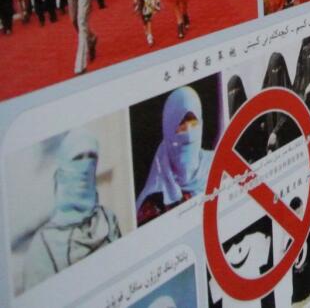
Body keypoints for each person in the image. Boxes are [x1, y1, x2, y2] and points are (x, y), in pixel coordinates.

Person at [21, 130, 121, 292]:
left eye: (91, 157)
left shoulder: (108, 219)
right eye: (78, 158)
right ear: (64, 168)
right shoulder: (43, 244)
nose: (86, 164)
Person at [135, 86, 214, 225]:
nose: (189, 132)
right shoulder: (154, 200)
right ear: (168, 128)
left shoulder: (217, 164)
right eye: (181, 124)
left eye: (193, 121)